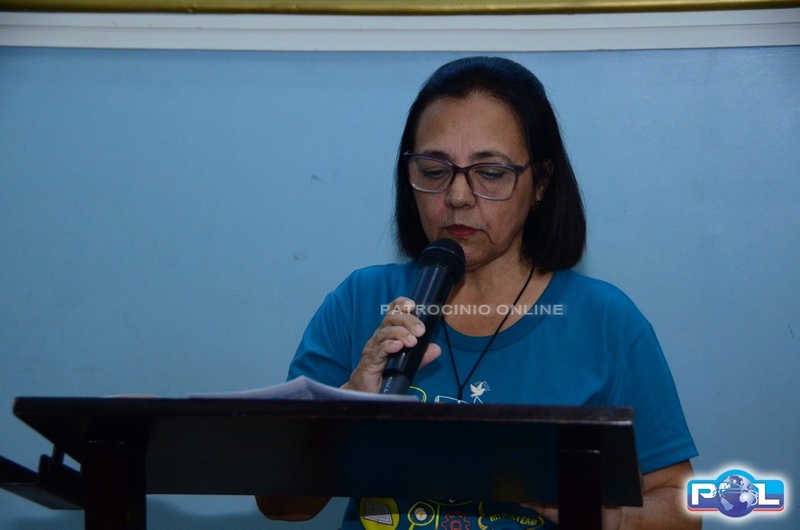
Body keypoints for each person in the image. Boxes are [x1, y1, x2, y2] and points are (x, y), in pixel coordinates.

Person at [257, 56, 699, 529]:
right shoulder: (361, 300)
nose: (458, 197)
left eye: (490, 173)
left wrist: (599, 514)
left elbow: (682, 506)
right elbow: (281, 504)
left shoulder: (605, 321)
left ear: (540, 182)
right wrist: (345, 407)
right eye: (434, 171)